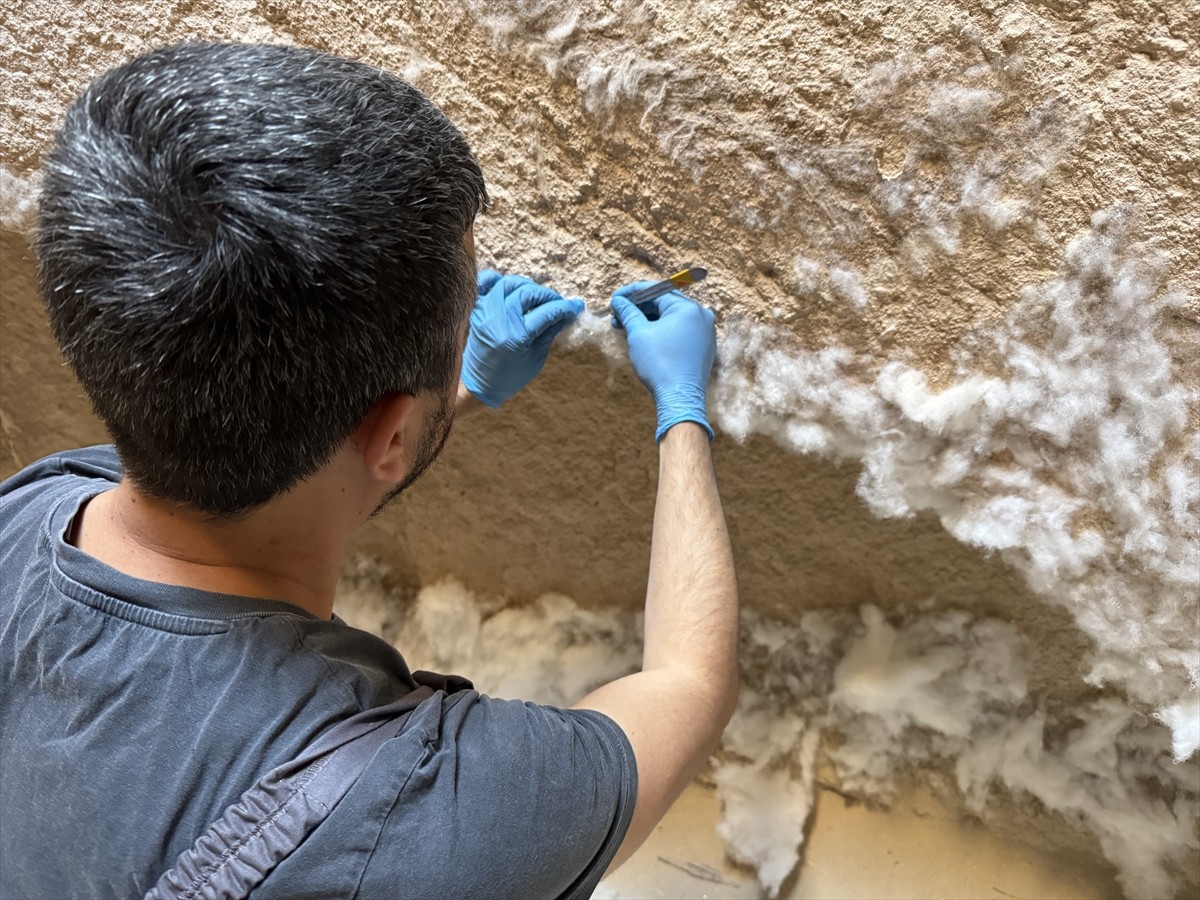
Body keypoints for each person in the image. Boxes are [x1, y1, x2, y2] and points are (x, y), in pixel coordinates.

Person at [0, 42, 738, 899]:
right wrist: (682, 409)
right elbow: (688, 686)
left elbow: (281, 470)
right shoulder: (423, 818)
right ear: (388, 433)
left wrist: (446, 387)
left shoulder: (33, 510)